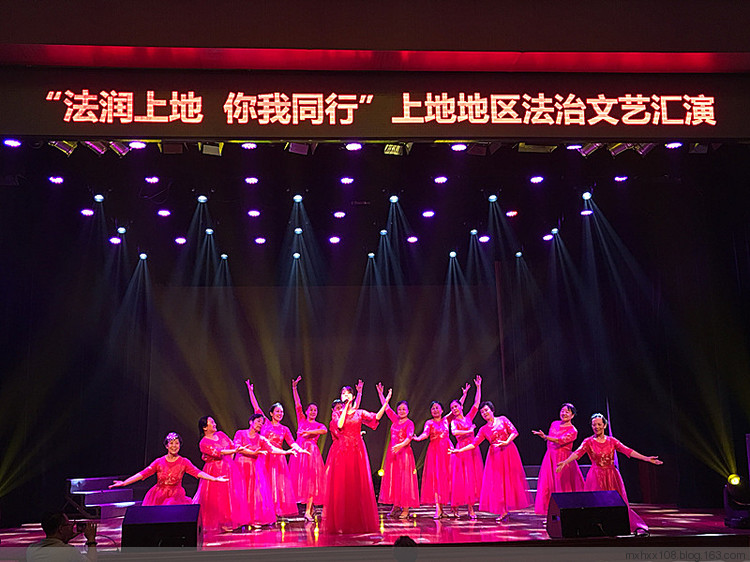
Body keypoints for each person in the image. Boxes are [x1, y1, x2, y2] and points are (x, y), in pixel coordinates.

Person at [557, 413, 663, 533]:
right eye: (594, 425)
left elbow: (627, 451)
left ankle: (615, 525)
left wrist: (646, 458)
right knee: (596, 502)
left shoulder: (612, 441)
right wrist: (565, 462)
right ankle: (597, 527)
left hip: (611, 475)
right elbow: (577, 452)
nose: (596, 427)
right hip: (595, 476)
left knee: (615, 502)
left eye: (599, 424)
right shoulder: (588, 442)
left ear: (605, 425)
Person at [323, 383, 391, 534]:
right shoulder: (337, 414)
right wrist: (346, 407)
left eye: (348, 393)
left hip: (357, 450)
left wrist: (386, 402)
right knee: (342, 485)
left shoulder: (359, 413)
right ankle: (341, 522)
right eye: (343, 393)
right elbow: (340, 425)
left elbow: (376, 417)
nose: (345, 395)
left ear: (353, 397)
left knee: (356, 484)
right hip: (342, 451)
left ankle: (357, 520)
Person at [450, 400, 530, 521]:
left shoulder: (502, 419)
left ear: (492, 410)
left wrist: (506, 442)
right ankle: (503, 511)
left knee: (510, 480)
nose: (484, 413)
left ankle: (509, 506)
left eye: (486, 410)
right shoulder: (483, 429)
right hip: (495, 455)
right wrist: (459, 450)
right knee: (498, 482)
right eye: (482, 412)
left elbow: (514, 432)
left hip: (508, 452)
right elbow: (474, 444)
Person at [109, 432, 228, 505]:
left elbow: (198, 472)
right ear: (166, 446)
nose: (174, 446)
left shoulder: (183, 462)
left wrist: (214, 479)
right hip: (158, 496)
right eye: (171, 443)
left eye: (177, 443)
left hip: (176, 496)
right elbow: (143, 474)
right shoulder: (159, 462)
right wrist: (125, 483)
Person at [246, 380, 306, 519]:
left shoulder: (284, 429)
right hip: (264, 456)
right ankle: (264, 509)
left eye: (282, 412)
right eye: (277, 411)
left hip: (278, 458)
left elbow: (291, 442)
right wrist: (250, 391)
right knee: (264, 482)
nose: (280, 414)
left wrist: (299, 449)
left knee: (278, 484)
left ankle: (276, 510)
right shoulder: (265, 423)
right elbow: (256, 407)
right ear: (271, 413)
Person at [234, 413, 293, 527]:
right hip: (241, 467)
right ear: (251, 422)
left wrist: (286, 452)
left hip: (255, 468)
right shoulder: (240, 433)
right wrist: (253, 452)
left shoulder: (261, 439)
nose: (260, 424)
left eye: (262, 423)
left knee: (254, 493)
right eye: (258, 421)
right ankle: (240, 519)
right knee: (241, 492)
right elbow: (238, 447)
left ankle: (252, 519)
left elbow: (272, 449)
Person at [191, 416, 247, 532]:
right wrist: (234, 451)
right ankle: (218, 522)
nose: (214, 424)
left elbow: (232, 445)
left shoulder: (221, 435)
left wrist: (231, 460)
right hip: (214, 470)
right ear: (205, 427)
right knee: (217, 496)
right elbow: (219, 452)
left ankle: (228, 520)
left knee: (230, 495)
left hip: (228, 468)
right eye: (211, 422)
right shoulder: (204, 442)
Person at [531, 403, 585, 515]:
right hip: (550, 457)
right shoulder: (554, 423)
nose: (564, 413)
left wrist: (545, 437)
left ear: (572, 415)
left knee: (562, 484)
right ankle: (550, 511)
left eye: (567, 412)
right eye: (562, 411)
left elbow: (560, 440)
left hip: (563, 459)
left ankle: (565, 510)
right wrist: (546, 438)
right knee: (548, 484)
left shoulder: (573, 430)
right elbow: (551, 440)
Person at [376, 383, 419, 519]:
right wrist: (381, 394)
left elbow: (409, 437)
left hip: (404, 455)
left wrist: (400, 446)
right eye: (399, 409)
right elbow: (386, 408)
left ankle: (405, 508)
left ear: (408, 411)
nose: (401, 411)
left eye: (403, 409)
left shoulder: (409, 423)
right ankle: (395, 506)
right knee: (394, 480)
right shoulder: (395, 419)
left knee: (404, 480)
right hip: (393, 455)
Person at [290, 375, 328, 521]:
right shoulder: (301, 419)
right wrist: (294, 388)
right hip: (300, 454)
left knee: (312, 480)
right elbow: (297, 404)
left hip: (312, 454)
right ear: (306, 411)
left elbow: (324, 430)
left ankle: (307, 511)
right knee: (303, 481)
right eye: (311, 410)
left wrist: (309, 432)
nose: (313, 412)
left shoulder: (318, 425)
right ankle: (310, 508)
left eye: (315, 410)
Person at [447, 375, 483, 518]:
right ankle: (455, 506)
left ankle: (470, 508)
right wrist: (469, 430)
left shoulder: (468, 417)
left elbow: (477, 403)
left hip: (472, 450)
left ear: (461, 407)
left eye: (456, 406)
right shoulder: (453, 422)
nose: (454, 409)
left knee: (471, 479)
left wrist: (478, 387)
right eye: (452, 408)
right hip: (460, 451)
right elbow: (455, 432)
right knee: (460, 479)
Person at [412, 401, 452, 519]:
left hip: (447, 451)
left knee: (446, 478)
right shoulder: (429, 423)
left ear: (442, 410)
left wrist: (464, 395)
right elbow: (425, 434)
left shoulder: (446, 420)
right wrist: (418, 438)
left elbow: (458, 407)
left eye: (437, 408)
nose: (435, 410)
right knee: (436, 479)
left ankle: (442, 508)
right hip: (435, 452)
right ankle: (438, 508)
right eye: (433, 408)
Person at [26, 512, 98, 562]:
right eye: (68, 524)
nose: (71, 526)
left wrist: (65, 539)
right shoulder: (69, 551)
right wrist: (91, 540)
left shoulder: (32, 550)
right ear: (60, 529)